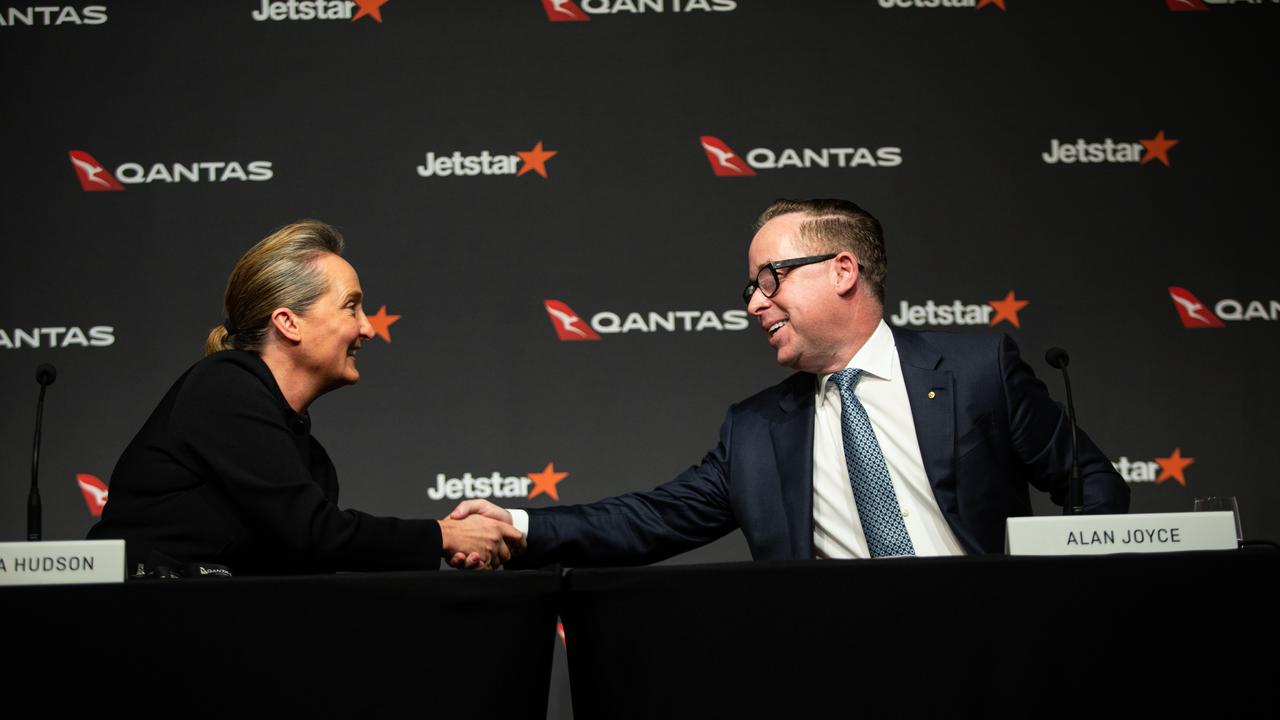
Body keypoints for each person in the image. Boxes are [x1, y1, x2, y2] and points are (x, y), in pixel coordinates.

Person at [449, 198, 1129, 568]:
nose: (754, 303)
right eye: (751, 287)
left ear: (842, 270)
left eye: (769, 279)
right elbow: (650, 520)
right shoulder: (755, 431)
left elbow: (1092, 483)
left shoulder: (978, 372)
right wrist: (521, 523)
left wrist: (1055, 600)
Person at [88, 220, 522, 576]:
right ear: (288, 323)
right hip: (138, 642)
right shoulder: (223, 386)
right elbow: (315, 532)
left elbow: (312, 555)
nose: (367, 328)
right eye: (351, 307)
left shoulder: (310, 457)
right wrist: (443, 536)